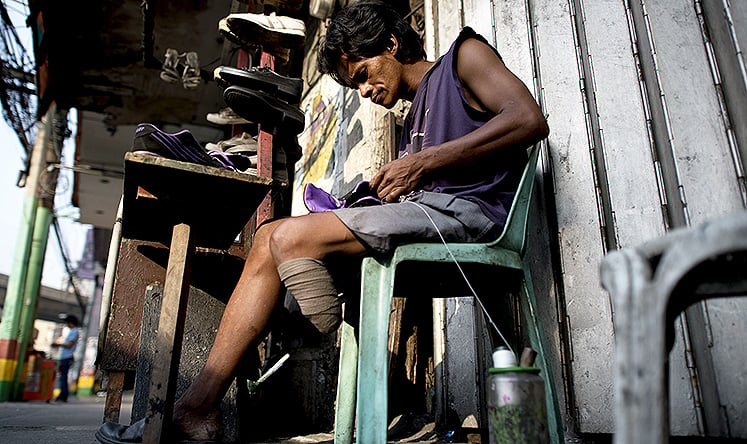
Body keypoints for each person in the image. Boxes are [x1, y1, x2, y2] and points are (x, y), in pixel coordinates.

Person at [97, 1, 547, 441]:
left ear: (391, 44)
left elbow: (528, 119)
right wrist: (376, 192)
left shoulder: (463, 58)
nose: (365, 92)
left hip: (473, 217)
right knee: (268, 237)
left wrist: (423, 163)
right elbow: (423, 180)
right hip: (431, 216)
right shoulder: (415, 114)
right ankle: (196, 409)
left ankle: (312, 305)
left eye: (363, 76)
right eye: (356, 88)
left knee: (290, 238)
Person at [51, 315, 80, 402]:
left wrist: (58, 344)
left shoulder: (74, 332)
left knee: (63, 377)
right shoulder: (72, 331)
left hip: (67, 357)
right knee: (63, 377)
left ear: (70, 323)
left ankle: (62, 396)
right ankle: (63, 395)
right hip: (65, 356)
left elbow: (69, 345)